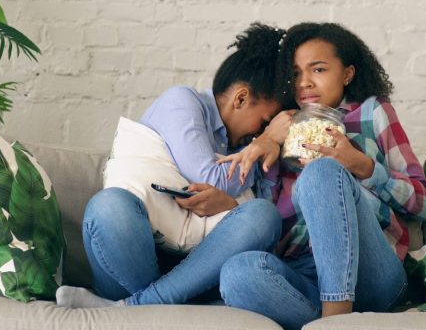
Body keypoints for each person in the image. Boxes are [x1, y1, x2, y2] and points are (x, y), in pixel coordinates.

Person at [217, 22, 426, 330]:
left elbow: (424, 203)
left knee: (321, 171)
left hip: (372, 273)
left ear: (347, 73)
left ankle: (335, 321)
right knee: (236, 272)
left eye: (318, 70)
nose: (304, 82)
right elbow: (258, 216)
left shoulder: (373, 113)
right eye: (295, 74)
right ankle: (335, 321)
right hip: (303, 273)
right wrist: (267, 138)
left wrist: (362, 166)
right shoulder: (281, 125)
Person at [56, 23, 289, 309]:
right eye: (264, 121)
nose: (260, 132)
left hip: (199, 272)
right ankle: (154, 303)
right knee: (109, 206)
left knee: (263, 215)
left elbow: (253, 221)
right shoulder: (184, 102)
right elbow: (211, 177)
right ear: (241, 98)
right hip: (136, 257)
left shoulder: (246, 147)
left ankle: (134, 307)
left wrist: (230, 205)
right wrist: (264, 141)